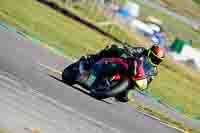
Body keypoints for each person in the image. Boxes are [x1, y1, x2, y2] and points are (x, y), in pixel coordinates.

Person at [79, 44, 165, 101]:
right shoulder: (142, 51)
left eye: (157, 60)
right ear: (149, 52)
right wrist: (129, 51)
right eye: (154, 57)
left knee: (125, 98)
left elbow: (147, 82)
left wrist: (144, 83)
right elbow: (132, 50)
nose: (155, 60)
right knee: (115, 49)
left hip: (134, 77)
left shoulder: (154, 71)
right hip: (127, 64)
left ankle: (107, 86)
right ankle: (93, 58)